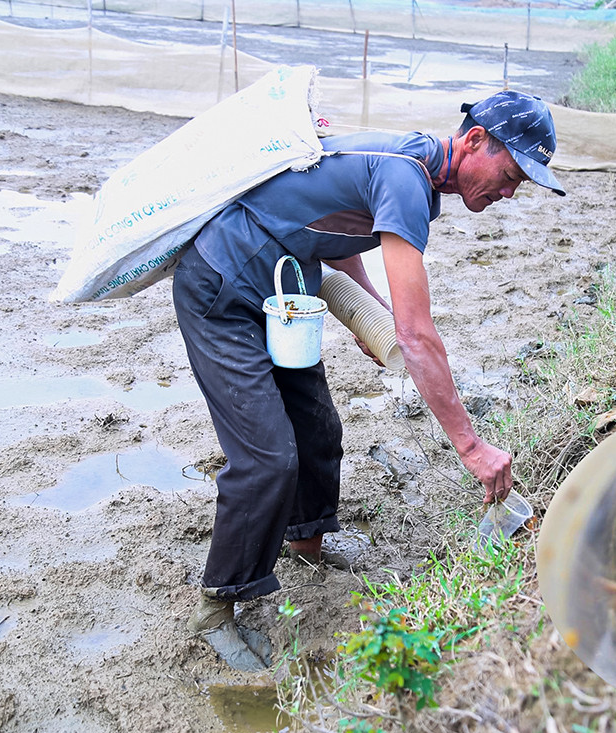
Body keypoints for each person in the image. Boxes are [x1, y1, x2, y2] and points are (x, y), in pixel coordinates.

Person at [173, 90, 566, 670]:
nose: (508, 192)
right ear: (476, 140)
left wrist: (368, 310)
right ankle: (217, 606)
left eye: (519, 186)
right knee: (267, 458)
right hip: (222, 287)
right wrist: (472, 446)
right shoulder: (408, 177)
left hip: (286, 291)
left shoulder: (417, 171)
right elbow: (419, 335)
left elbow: (341, 227)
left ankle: (306, 542)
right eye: (509, 175)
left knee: (317, 427)